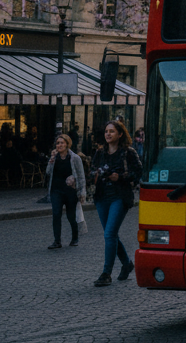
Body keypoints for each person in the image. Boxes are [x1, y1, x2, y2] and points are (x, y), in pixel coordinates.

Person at [91, 119, 142, 287]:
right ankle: (127, 264)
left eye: (112, 131)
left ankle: (106, 273)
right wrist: (97, 174)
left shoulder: (128, 152)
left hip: (120, 197)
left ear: (120, 134)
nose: (108, 134)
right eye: (106, 131)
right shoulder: (100, 153)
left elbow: (138, 172)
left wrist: (119, 177)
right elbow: (91, 171)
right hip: (101, 197)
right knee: (110, 234)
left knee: (109, 234)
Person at [45, 133, 85, 250]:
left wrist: (82, 192)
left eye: (62, 143)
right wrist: (51, 160)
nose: (59, 145)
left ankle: (75, 238)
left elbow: (81, 176)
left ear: (67, 144)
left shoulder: (75, 158)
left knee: (70, 216)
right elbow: (48, 172)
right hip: (56, 190)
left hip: (70, 191)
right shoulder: (55, 157)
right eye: (58, 143)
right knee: (56, 214)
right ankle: (57, 241)